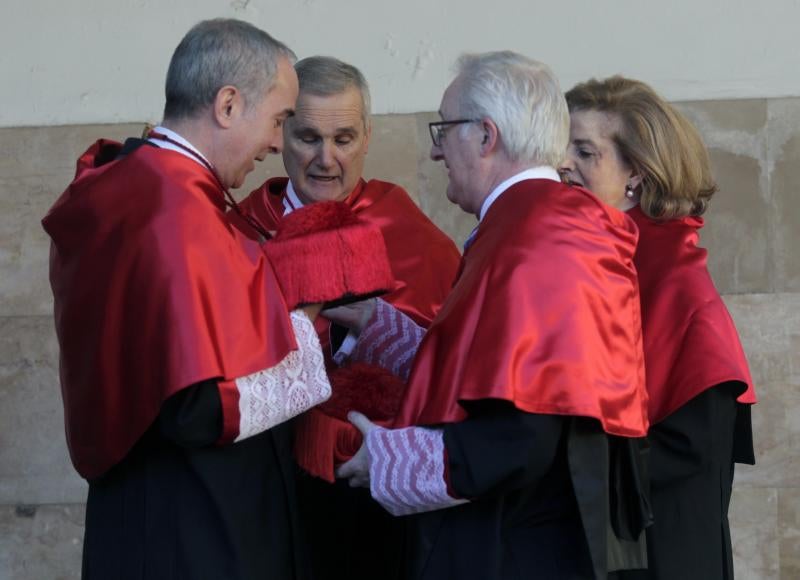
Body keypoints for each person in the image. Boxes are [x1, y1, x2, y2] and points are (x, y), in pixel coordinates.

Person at [334, 52, 651, 580]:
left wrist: (390, 461)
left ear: (486, 136)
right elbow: (484, 371)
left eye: (444, 130)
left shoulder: (539, 239)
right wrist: (375, 323)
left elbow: (524, 435)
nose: (436, 152)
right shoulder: (533, 221)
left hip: (524, 544)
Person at [42, 19, 333, 580]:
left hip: (144, 513)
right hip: (192, 527)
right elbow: (199, 407)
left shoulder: (134, 183)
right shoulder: (177, 211)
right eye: (277, 120)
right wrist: (305, 324)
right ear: (227, 105)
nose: (277, 144)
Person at [230, 55, 461, 580]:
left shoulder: (406, 229)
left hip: (372, 492)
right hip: (264, 481)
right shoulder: (238, 234)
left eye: (344, 139)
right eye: (308, 137)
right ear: (279, 134)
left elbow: (448, 366)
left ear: (367, 137)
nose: (326, 159)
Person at [559, 76, 757, 580]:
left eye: (584, 151)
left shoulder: (671, 274)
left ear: (636, 174)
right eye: (561, 147)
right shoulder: (598, 255)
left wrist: (559, 462)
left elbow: (695, 442)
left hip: (663, 544)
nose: (563, 164)